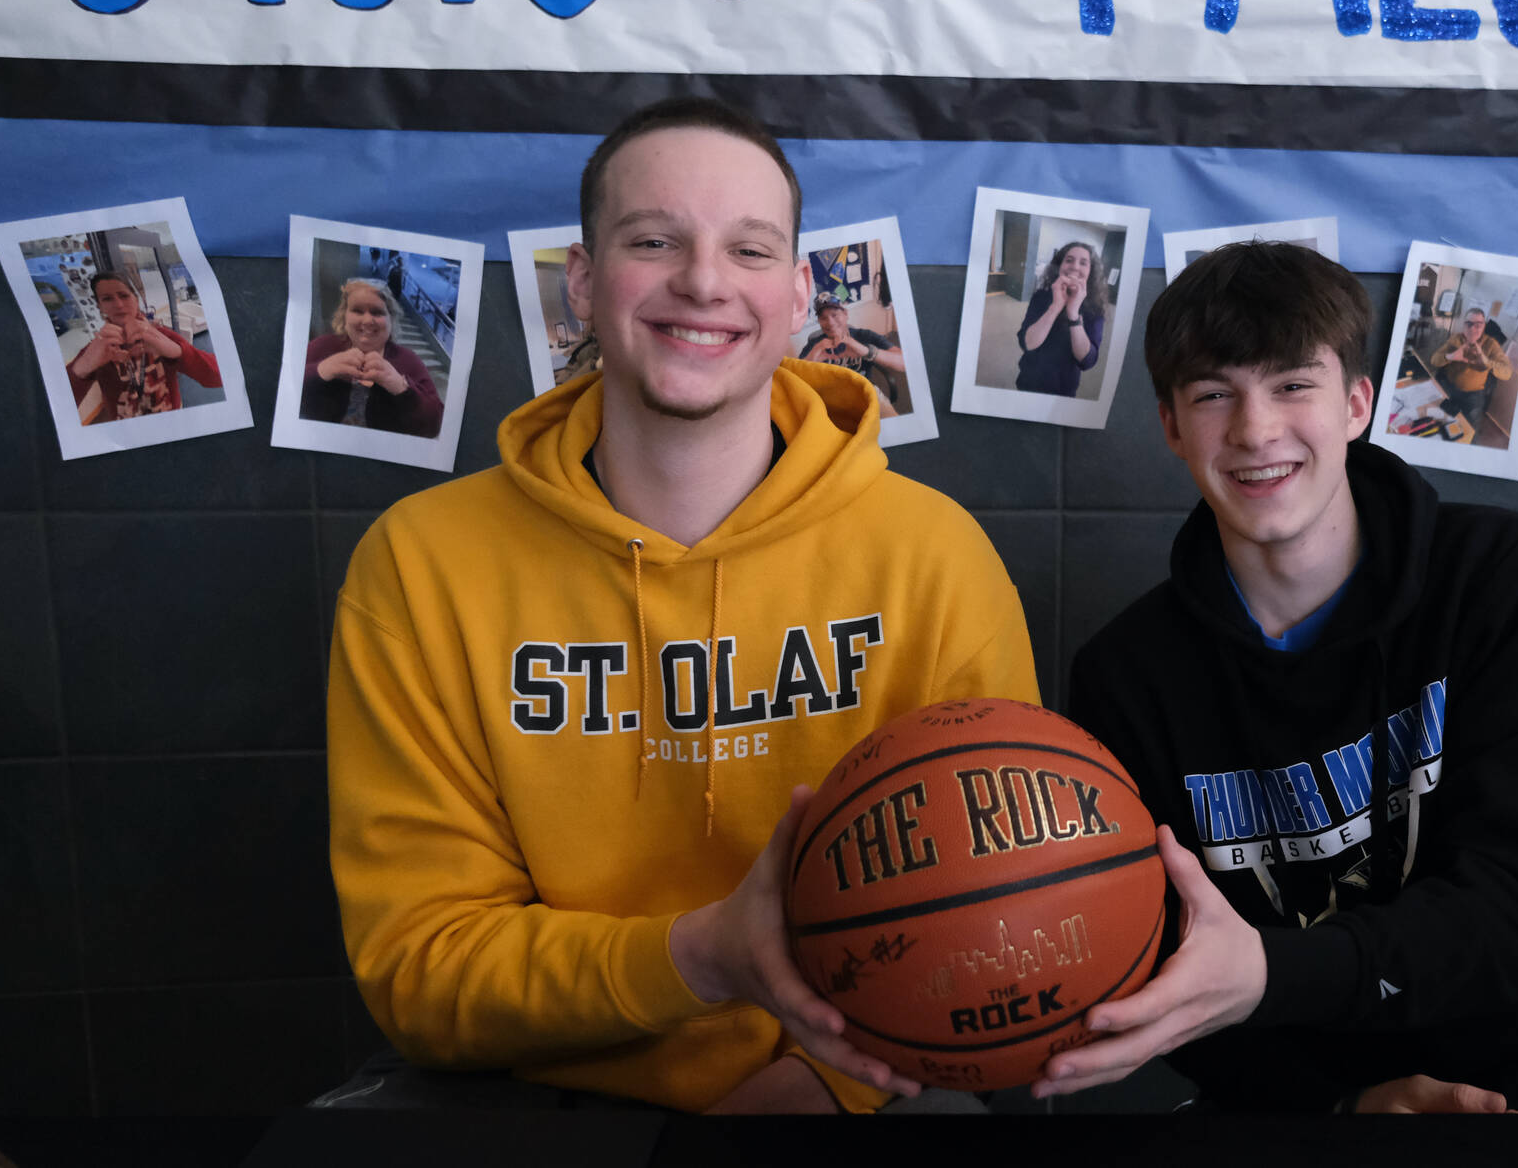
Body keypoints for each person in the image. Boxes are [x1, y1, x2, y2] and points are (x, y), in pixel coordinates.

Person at [324, 98, 1038, 1116]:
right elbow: (421, 969)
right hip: (524, 1081)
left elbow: (988, 926)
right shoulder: (418, 565)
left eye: (747, 250)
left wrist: (819, 1084)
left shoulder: (933, 555)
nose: (703, 280)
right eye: (653, 239)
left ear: (796, 294)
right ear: (581, 279)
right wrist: (698, 954)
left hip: (849, 1077)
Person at [1042, 242, 1518, 1115]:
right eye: (1215, 394)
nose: (1256, 430)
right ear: (1173, 427)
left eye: (1293, 385)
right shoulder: (1123, 678)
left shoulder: (1505, 578)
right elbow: (1187, 985)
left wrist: (1272, 972)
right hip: (1320, 1098)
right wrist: (1345, 1108)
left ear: (1357, 404)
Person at [65, 270, 222, 422]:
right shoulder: (98, 349)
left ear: (136, 299)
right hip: (126, 430)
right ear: (100, 306)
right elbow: (58, 407)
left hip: (172, 419)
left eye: (124, 295)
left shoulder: (161, 336)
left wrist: (178, 351)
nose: (118, 305)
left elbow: (219, 377)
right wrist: (82, 367)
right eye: (107, 299)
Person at [300, 278, 445, 438]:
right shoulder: (321, 347)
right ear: (344, 316)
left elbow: (434, 425)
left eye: (377, 312)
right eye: (357, 311)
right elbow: (284, 393)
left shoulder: (409, 360)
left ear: (391, 319)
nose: (368, 320)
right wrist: (320, 371)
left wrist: (401, 387)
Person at [1015, 241, 1106, 395]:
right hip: (1028, 378)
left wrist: (1073, 313)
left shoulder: (1095, 310)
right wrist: (1055, 307)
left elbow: (1087, 361)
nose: (1075, 267)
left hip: (1062, 388)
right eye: (1069, 260)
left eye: (1083, 263)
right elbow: (1027, 343)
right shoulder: (1041, 296)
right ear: (1060, 266)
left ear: (1091, 272)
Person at [798, 292, 905, 417]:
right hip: (831, 400)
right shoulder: (815, 344)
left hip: (865, 392)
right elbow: (796, 381)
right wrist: (814, 353)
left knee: (894, 426)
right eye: (823, 318)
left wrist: (864, 350)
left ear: (845, 314)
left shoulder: (864, 336)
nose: (830, 322)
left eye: (834, 315)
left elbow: (903, 363)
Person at [1426, 306, 1512, 435]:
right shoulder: (1456, 339)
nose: (1472, 329)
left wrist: (1487, 363)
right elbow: (1434, 359)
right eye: (1469, 324)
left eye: (1478, 325)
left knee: (1468, 430)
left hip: (1472, 396)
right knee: (1440, 421)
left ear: (1484, 327)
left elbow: (1507, 372)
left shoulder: (1491, 344)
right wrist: (1450, 356)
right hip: (1449, 388)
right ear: (1463, 324)